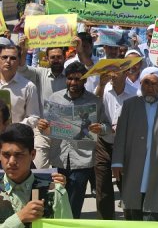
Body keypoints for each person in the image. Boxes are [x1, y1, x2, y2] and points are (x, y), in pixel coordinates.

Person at [39, 61, 109, 218]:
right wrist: (42, 126)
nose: (73, 83)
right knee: (59, 201)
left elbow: (107, 127)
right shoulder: (55, 98)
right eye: (70, 78)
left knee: (74, 204)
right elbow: (47, 129)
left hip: (82, 160)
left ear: (84, 80)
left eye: (78, 79)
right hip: (59, 158)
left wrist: (101, 128)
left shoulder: (94, 101)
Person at [111, 67, 158, 221]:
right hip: (133, 163)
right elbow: (120, 136)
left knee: (153, 212)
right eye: (146, 83)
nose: (149, 87)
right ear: (140, 84)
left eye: (154, 84)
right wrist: (117, 162)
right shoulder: (129, 105)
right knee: (132, 211)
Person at [0, 123, 72, 226]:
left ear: (32, 154)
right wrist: (19, 219)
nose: (11, 161)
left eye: (18, 155)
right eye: (6, 155)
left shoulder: (54, 193)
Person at [17, 41, 67, 169]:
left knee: (62, 174)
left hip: (65, 131)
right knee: (39, 172)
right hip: (42, 130)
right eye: (53, 57)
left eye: (59, 57)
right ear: (47, 59)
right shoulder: (40, 73)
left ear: (64, 58)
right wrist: (23, 50)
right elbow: (22, 68)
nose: (56, 60)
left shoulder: (71, 77)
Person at [95, 69, 136, 219]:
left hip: (125, 146)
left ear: (125, 74)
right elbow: (93, 105)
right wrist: (100, 85)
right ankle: (106, 221)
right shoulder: (104, 88)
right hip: (104, 143)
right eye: (109, 71)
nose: (111, 75)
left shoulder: (135, 93)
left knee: (125, 186)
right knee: (103, 186)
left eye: (115, 72)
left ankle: (130, 220)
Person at [0, 45, 40, 125]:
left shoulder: (29, 86)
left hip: (14, 135)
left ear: (19, 62)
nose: (8, 61)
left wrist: (16, 129)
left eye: (13, 58)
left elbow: (33, 117)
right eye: (4, 57)